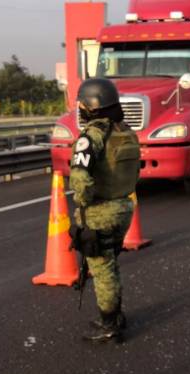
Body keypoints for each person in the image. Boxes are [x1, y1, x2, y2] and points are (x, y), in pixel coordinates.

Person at [70, 78, 141, 344]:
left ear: (90, 105)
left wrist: (83, 202)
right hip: (125, 207)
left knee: (102, 268)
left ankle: (109, 323)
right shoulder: (125, 131)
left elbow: (80, 177)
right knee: (110, 262)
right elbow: (136, 171)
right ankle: (116, 314)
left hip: (101, 210)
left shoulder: (92, 136)